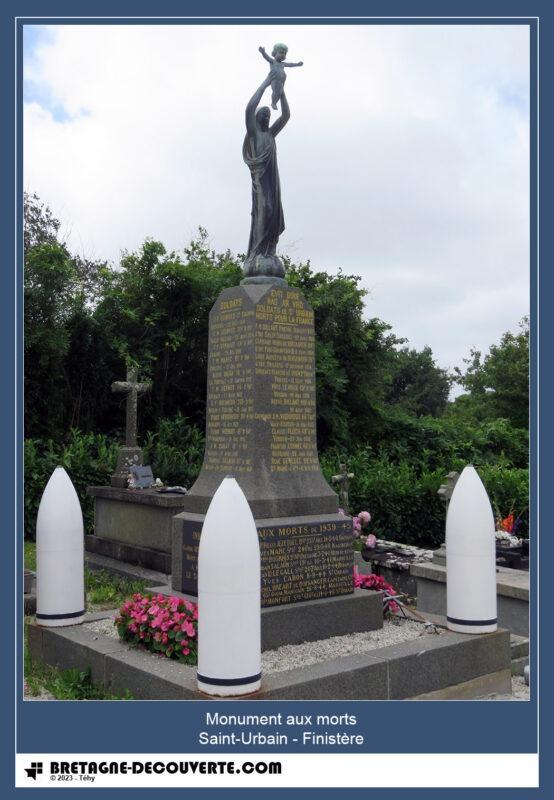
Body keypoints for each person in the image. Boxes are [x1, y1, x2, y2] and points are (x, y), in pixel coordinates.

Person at [242, 72, 291, 279]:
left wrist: (280, 90)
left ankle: (269, 252)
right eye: (264, 115)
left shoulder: (271, 134)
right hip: (260, 184)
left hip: (273, 183)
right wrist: (266, 82)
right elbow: (249, 108)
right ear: (257, 118)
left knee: (274, 214)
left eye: (268, 116)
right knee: (265, 210)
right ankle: (257, 254)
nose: (266, 117)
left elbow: (286, 116)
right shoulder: (254, 135)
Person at [259, 43, 303, 110]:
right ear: (275, 53)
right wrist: (263, 52)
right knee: (276, 91)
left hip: (281, 80)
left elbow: (291, 64)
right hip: (275, 79)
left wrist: (297, 64)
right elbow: (266, 57)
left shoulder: (283, 64)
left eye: (285, 54)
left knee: (279, 92)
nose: (283, 55)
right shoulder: (273, 61)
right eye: (281, 53)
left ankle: (275, 102)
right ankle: (273, 102)